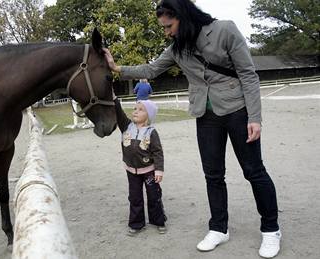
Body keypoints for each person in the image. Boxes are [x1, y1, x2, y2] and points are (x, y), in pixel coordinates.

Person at [104, 0, 280, 258]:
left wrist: (255, 117)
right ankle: (219, 228)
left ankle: (271, 229)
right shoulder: (177, 48)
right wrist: (117, 67)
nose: (167, 32)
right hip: (205, 115)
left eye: (169, 26)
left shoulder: (224, 30)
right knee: (213, 175)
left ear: (183, 16)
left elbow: (248, 74)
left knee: (254, 171)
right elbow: (151, 69)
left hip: (237, 110)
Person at [111, 90, 167, 236]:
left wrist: (159, 170)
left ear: (148, 116)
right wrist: (114, 98)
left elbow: (158, 152)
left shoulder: (151, 132)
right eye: (135, 108)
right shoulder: (126, 126)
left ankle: (158, 220)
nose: (135, 111)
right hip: (131, 171)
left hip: (149, 171)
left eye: (141, 110)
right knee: (135, 198)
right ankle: (137, 224)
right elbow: (118, 112)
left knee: (154, 196)